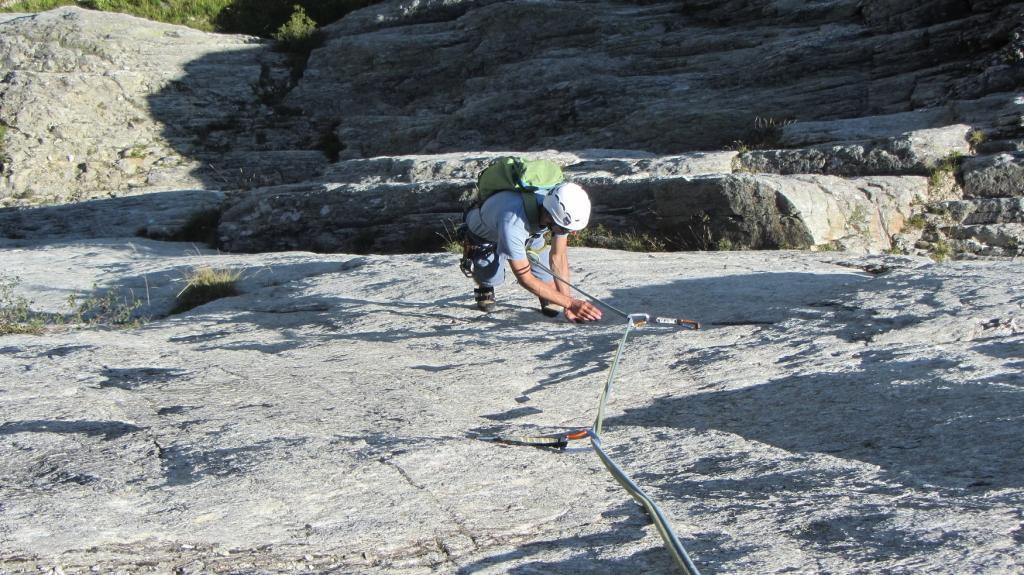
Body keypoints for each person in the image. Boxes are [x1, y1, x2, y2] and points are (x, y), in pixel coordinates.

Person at [461, 182, 603, 322]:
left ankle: (548, 290)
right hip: (485, 234)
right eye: (566, 230)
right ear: (549, 216)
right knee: (490, 276)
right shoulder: (513, 224)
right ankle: (484, 284)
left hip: (532, 231)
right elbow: (526, 279)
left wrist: (567, 302)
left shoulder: (555, 211)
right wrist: (571, 304)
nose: (569, 233)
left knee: (548, 283)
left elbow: (558, 257)